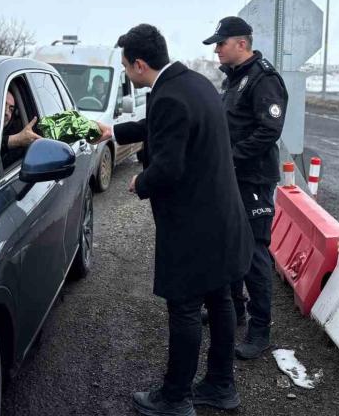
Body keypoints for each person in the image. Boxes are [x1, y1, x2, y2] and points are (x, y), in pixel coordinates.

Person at [94, 24, 252, 416]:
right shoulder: (193, 83)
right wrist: (112, 132)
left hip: (193, 226)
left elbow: (168, 167)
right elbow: (159, 127)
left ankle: (175, 397)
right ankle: (220, 386)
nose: (126, 72)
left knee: (184, 307)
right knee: (220, 299)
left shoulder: (168, 96)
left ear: (139, 64)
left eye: (125, 66)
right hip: (221, 218)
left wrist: (140, 182)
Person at [202, 16, 288, 360]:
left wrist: (230, 157)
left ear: (241, 43)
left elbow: (269, 130)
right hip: (232, 178)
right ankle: (234, 310)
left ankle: (259, 330)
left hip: (253, 179)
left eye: (220, 43)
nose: (216, 50)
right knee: (229, 246)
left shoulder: (263, 79)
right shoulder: (234, 79)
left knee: (253, 254)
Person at [0, 89, 40, 168]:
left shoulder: (16, 151)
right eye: (3, 104)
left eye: (11, 109)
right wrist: (15, 140)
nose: (7, 112)